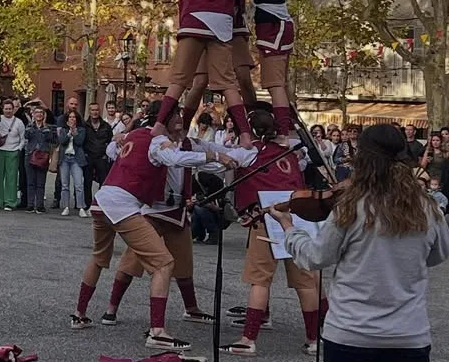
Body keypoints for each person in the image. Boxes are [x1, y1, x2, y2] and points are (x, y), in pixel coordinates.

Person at [274, 124, 449, 362]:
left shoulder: (351, 206)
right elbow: (438, 255)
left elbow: (315, 258)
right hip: (408, 334)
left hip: (351, 332)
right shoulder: (427, 208)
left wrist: (289, 228)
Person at [70, 101, 236, 352]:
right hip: (125, 204)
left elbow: (113, 149)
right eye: (175, 115)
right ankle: (157, 331)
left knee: (99, 258)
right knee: (164, 263)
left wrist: (122, 135)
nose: (179, 119)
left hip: (101, 201)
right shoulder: (157, 141)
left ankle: (79, 314)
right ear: (162, 119)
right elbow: (173, 157)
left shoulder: (135, 135)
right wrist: (214, 155)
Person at [216, 110, 322, 358]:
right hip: (298, 215)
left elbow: (217, 159)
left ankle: (248, 339)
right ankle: (313, 339)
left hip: (267, 215)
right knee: (305, 282)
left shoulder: (249, 152)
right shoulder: (293, 152)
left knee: (260, 279)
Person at [153, 0, 254, 148]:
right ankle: (245, 133)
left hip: (192, 24)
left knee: (179, 81)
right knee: (227, 83)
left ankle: (159, 125)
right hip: (222, 26)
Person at [231, 0, 297, 137]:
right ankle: (288, 126)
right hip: (275, 27)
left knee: (274, 84)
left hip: (273, 28)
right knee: (279, 85)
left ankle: (284, 132)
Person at [0, 100, 25, 211]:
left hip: (13, 151)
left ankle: (10, 202)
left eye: (10, 109)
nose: (8, 111)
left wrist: (18, 149)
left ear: (13, 109)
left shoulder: (19, 122)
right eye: (6, 109)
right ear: (3, 109)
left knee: (12, 178)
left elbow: (23, 138)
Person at [25, 107, 58, 214]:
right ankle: (30, 205)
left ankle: (39, 205)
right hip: (30, 155)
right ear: (33, 114)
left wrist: (44, 127)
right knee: (30, 182)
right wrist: (32, 124)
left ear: (44, 115)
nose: (38, 115)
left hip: (43, 156)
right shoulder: (29, 126)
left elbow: (53, 140)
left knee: (40, 182)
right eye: (36, 112)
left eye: (41, 113)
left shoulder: (49, 128)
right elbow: (26, 136)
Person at [55, 110, 86, 217]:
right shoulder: (63, 130)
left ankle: (81, 207)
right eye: (70, 117)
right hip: (64, 159)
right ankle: (66, 207)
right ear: (67, 120)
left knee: (78, 184)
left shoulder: (81, 130)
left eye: (74, 117)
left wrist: (74, 131)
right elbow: (62, 141)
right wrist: (69, 133)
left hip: (76, 159)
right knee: (65, 185)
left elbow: (79, 142)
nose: (72, 119)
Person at [82, 102, 113, 208]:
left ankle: (101, 203)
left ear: (99, 111)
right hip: (89, 156)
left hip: (101, 157)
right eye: (92, 110)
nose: (95, 112)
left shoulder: (106, 126)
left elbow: (110, 141)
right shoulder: (84, 125)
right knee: (87, 181)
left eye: (96, 110)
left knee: (103, 182)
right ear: (89, 111)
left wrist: (106, 154)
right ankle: (87, 203)